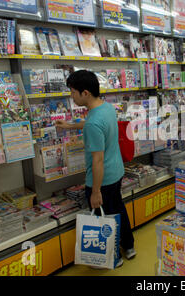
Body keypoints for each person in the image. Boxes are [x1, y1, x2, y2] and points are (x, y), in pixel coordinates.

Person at [55, 70, 136, 268]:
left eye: (73, 92)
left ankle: (112, 258)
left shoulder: (93, 121)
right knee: (118, 209)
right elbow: (95, 125)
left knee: (102, 219)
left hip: (102, 180)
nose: (71, 97)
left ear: (85, 93)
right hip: (116, 171)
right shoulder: (105, 108)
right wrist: (69, 126)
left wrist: (96, 191)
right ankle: (129, 246)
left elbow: (97, 160)